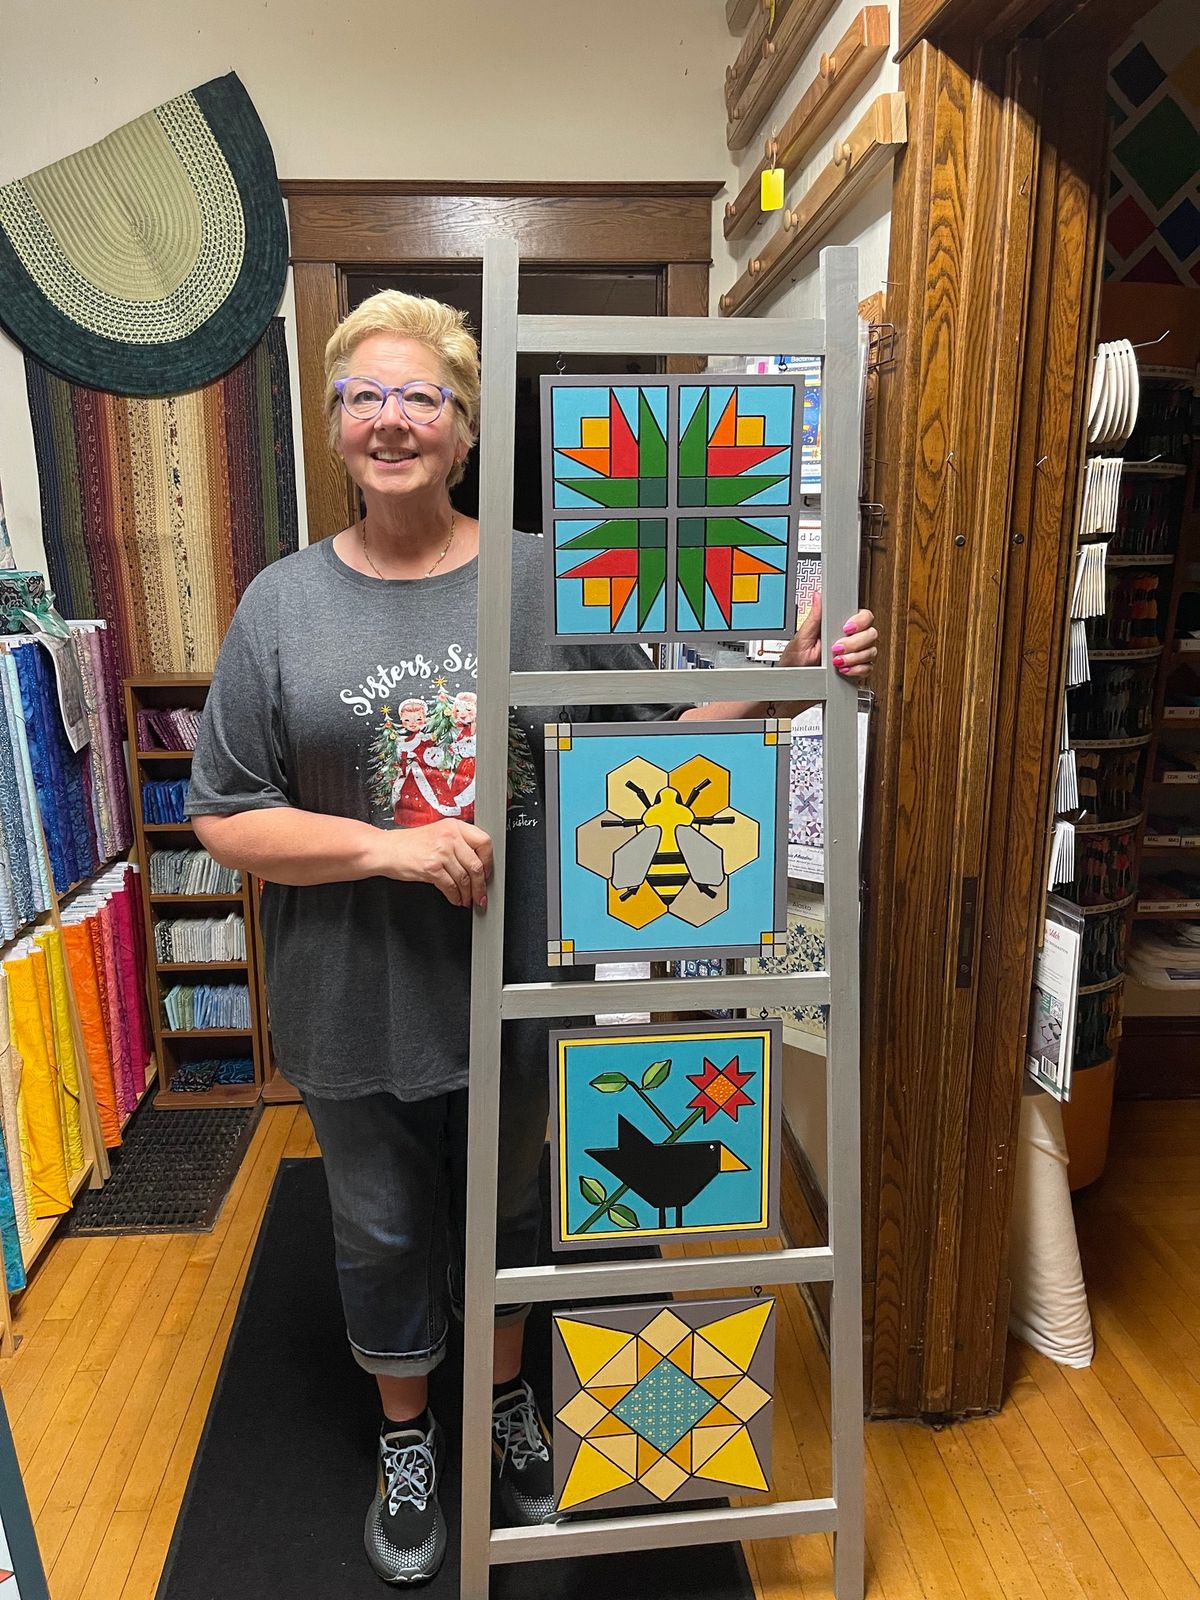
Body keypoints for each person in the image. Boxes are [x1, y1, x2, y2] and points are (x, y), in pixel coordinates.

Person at [187, 290, 877, 1586]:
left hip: (512, 982)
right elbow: (228, 819)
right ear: (334, 428)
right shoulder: (281, 607)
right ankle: (410, 1437)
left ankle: (504, 1403)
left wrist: (791, 670)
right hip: (350, 996)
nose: (392, 421)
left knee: (510, 1210)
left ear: (462, 430)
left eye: (421, 399)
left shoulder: (546, 576)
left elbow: (648, 742)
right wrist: (390, 848)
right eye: (364, 398)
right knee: (382, 1226)